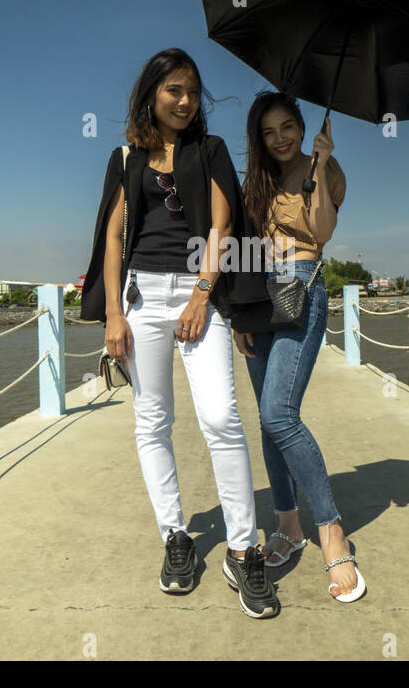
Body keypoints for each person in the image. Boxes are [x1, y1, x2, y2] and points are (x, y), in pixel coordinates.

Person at [79, 49, 279, 619]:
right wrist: (115, 316)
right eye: (174, 90)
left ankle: (242, 550)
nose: (186, 101)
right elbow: (114, 236)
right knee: (152, 420)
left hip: (201, 293)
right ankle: (176, 536)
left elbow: (224, 225)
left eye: (192, 91)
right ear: (151, 94)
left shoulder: (210, 150)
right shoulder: (126, 156)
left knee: (221, 417)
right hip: (141, 298)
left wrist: (200, 293)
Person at [234, 90, 364, 603]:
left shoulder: (323, 168)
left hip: (302, 287)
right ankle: (287, 526)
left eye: (287, 126)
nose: (280, 138)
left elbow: (323, 232)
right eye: (269, 131)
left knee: (279, 413)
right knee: (268, 421)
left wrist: (323, 164)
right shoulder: (256, 181)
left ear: (301, 125)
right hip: (258, 299)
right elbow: (241, 249)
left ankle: (331, 529)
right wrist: (236, 317)